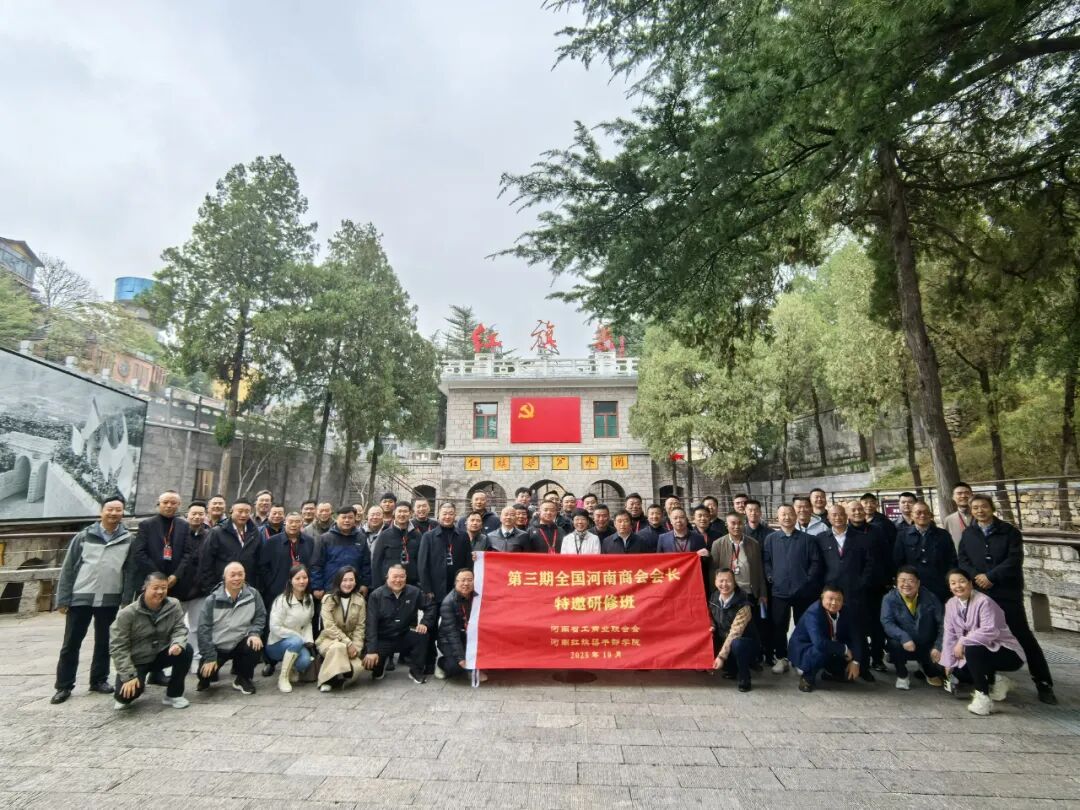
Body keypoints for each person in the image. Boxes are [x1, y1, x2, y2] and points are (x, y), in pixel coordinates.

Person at [958, 494, 1056, 704]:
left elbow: (1014, 559)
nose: (980, 511)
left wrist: (991, 577)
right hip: (980, 594)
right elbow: (963, 560)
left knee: (1022, 635)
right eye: (975, 508)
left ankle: (1043, 683)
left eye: (984, 506)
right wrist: (976, 576)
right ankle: (990, 679)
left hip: (1006, 593)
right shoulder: (969, 533)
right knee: (982, 636)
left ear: (992, 508)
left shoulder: (1009, 532)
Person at [52, 495, 138, 705]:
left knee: (105, 642)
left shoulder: (128, 539)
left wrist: (127, 599)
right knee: (71, 643)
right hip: (81, 597)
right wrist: (63, 599)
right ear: (101, 511)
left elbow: (130, 571)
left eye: (118, 510)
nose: (114, 513)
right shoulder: (84, 536)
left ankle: (99, 680)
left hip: (110, 598)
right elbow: (69, 568)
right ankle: (64, 685)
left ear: (123, 513)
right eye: (110, 509)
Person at [940, 568, 1026, 716]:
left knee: (972, 649)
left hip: (1007, 652)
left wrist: (963, 642)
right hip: (980, 651)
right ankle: (996, 681)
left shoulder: (984, 602)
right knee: (958, 672)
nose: (958, 586)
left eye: (962, 581)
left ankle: (983, 698)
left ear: (970, 583)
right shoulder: (951, 604)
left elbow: (989, 631)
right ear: (949, 587)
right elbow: (949, 634)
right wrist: (949, 662)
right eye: (953, 583)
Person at [109, 572, 193, 710]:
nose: (160, 592)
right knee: (124, 697)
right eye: (155, 588)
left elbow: (179, 628)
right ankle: (134, 681)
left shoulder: (174, 604)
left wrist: (177, 643)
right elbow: (118, 646)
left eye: (164, 588)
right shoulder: (127, 613)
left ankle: (174, 694)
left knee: (186, 649)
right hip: (137, 660)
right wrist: (129, 676)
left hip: (160, 653)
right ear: (145, 588)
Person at [816, 504, 875, 682]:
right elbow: (818, 565)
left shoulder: (861, 538)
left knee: (858, 629)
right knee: (833, 630)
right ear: (828, 518)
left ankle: (863, 666)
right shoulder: (821, 539)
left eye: (841, 514)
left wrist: (861, 583)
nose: (838, 517)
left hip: (855, 591)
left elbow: (870, 563)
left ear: (847, 516)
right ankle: (833, 667)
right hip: (831, 594)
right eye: (834, 515)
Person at [763, 504, 822, 675]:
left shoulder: (808, 539)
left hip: (803, 591)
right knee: (779, 625)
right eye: (783, 514)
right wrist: (770, 576)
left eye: (790, 514)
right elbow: (766, 561)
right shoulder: (771, 539)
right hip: (779, 591)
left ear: (796, 517)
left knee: (802, 624)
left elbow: (815, 563)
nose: (787, 517)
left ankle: (801, 657)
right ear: (777, 517)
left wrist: (807, 581)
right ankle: (781, 658)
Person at [196, 561, 266, 695]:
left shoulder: (253, 594)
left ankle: (243, 679)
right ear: (224, 577)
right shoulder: (212, 600)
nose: (237, 578)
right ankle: (207, 677)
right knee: (205, 675)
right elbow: (203, 629)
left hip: (240, 642)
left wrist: (254, 633)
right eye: (232, 575)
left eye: (240, 574)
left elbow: (260, 616)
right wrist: (210, 657)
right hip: (218, 646)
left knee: (255, 644)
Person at [419, 503, 471, 675]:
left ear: (455, 515)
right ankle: (429, 661)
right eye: (444, 513)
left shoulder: (463, 536)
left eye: (450, 513)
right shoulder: (429, 536)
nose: (447, 516)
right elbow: (422, 565)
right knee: (431, 626)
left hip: (456, 590)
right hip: (435, 589)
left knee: (456, 624)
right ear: (438, 515)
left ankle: (454, 657)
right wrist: (427, 588)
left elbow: (467, 563)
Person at [363, 564, 436, 683]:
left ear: (406, 577)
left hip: (404, 634)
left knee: (422, 635)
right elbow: (371, 624)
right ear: (387, 577)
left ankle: (415, 671)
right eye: (395, 576)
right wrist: (371, 650)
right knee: (372, 667)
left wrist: (425, 623)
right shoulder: (376, 595)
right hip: (384, 637)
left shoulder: (414, 592)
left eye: (402, 576)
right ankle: (380, 666)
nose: (398, 580)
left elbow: (430, 606)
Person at [846, 499, 892, 672]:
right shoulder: (845, 532)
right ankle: (860, 659)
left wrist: (888, 579)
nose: (857, 512)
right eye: (853, 510)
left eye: (860, 509)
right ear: (847, 513)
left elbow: (887, 555)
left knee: (877, 625)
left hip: (876, 586)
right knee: (857, 625)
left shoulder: (877, 530)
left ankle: (877, 658)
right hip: (853, 587)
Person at [880, 566, 945, 690]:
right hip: (904, 643)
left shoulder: (930, 597)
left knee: (936, 671)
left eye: (911, 580)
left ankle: (926, 668)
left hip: (927, 643)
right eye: (902, 580)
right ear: (896, 582)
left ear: (918, 583)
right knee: (894, 644)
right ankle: (902, 674)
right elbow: (887, 622)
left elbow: (943, 623)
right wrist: (904, 637)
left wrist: (938, 646)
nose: (906, 584)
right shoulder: (889, 599)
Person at [789, 585, 862, 692]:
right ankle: (807, 677)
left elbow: (856, 636)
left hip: (831, 644)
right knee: (821, 650)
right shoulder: (813, 612)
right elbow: (819, 643)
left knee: (853, 656)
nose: (834, 603)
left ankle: (830, 673)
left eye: (838, 599)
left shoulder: (846, 611)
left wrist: (856, 661)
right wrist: (844, 649)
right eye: (830, 599)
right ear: (822, 597)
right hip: (806, 648)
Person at [131, 490, 193, 599]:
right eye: (165, 502)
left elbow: (188, 553)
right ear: (159, 504)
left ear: (178, 505)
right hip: (151, 579)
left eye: (173, 503)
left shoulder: (184, 525)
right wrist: (158, 576)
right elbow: (139, 553)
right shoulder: (146, 525)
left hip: (175, 582)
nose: (169, 506)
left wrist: (176, 575)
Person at [893, 501, 957, 605]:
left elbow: (952, 560)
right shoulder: (903, 535)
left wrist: (950, 581)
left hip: (939, 586)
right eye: (918, 513)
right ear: (912, 515)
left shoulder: (943, 535)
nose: (922, 515)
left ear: (930, 515)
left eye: (926, 512)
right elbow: (898, 561)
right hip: (913, 586)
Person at [265, 563, 316, 692]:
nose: (302, 581)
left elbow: (308, 622)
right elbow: (274, 627)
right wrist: (298, 637)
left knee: (305, 661)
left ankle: (291, 667)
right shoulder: (281, 600)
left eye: (304, 578)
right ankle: (283, 678)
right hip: (276, 644)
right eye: (297, 578)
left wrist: (308, 640)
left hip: (298, 642)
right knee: (295, 641)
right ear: (291, 581)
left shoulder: (309, 598)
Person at [315, 566, 367, 691]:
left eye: (351, 580)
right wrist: (347, 644)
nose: (348, 584)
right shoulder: (328, 599)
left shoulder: (360, 600)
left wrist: (356, 649)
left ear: (355, 582)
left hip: (351, 643)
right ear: (338, 581)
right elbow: (329, 626)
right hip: (329, 639)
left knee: (354, 669)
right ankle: (327, 680)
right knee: (338, 647)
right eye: (344, 580)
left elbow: (360, 627)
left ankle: (339, 670)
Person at [174, 501, 212, 671]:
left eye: (200, 514)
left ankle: (195, 658)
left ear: (206, 516)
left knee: (196, 627)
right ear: (187, 515)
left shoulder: (209, 535)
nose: (197, 517)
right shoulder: (178, 535)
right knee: (175, 626)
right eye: (194, 513)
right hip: (178, 588)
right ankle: (173, 659)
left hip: (200, 589)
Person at [709, 568, 760, 692]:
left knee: (737, 643)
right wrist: (712, 625)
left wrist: (721, 657)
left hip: (745, 642)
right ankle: (732, 668)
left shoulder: (744, 604)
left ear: (734, 582)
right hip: (725, 638)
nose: (724, 584)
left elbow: (735, 633)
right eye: (721, 581)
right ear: (715, 582)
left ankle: (744, 677)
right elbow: (710, 615)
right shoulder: (714, 597)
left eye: (728, 581)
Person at [197, 499, 262, 596]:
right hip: (221, 586)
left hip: (247, 587)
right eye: (240, 511)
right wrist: (210, 588)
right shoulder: (217, 532)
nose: (243, 515)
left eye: (247, 512)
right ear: (232, 511)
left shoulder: (255, 533)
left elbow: (259, 561)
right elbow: (206, 562)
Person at [710, 512, 767, 620]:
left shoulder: (753, 544)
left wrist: (763, 594)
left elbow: (759, 571)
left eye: (740, 523)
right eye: (733, 523)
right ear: (726, 525)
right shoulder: (718, 544)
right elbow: (713, 572)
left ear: (744, 524)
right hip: (727, 593)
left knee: (750, 625)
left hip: (749, 593)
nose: (737, 526)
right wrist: (715, 594)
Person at [310, 507, 371, 602]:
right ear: (337, 518)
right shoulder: (325, 539)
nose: (347, 520)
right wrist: (317, 586)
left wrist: (365, 584)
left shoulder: (361, 538)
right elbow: (316, 565)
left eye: (350, 517)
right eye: (344, 517)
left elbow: (366, 564)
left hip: (354, 588)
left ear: (354, 519)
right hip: (330, 588)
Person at [435, 569, 486, 682]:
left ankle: (471, 669)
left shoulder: (478, 597)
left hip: (468, 637)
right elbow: (451, 633)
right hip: (448, 639)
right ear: (456, 582)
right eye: (463, 580)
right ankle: (441, 663)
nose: (466, 583)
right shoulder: (448, 602)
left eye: (470, 580)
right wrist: (460, 658)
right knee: (455, 667)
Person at [260, 512, 315, 609]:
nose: (294, 525)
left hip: (302, 588)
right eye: (291, 521)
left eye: (297, 522)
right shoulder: (272, 541)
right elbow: (263, 566)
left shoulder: (309, 541)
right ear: (285, 522)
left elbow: (313, 564)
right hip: (278, 589)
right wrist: (271, 583)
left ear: (302, 523)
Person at [372, 502, 423, 586]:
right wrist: (377, 585)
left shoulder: (417, 535)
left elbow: (421, 561)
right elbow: (376, 561)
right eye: (399, 511)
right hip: (389, 582)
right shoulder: (384, 535)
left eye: (405, 511)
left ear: (411, 514)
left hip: (412, 583)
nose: (402, 514)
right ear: (394, 513)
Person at [943, 482, 974, 549]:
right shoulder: (948, 520)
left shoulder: (982, 516)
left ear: (972, 495)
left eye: (967, 493)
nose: (963, 496)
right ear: (953, 497)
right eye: (959, 493)